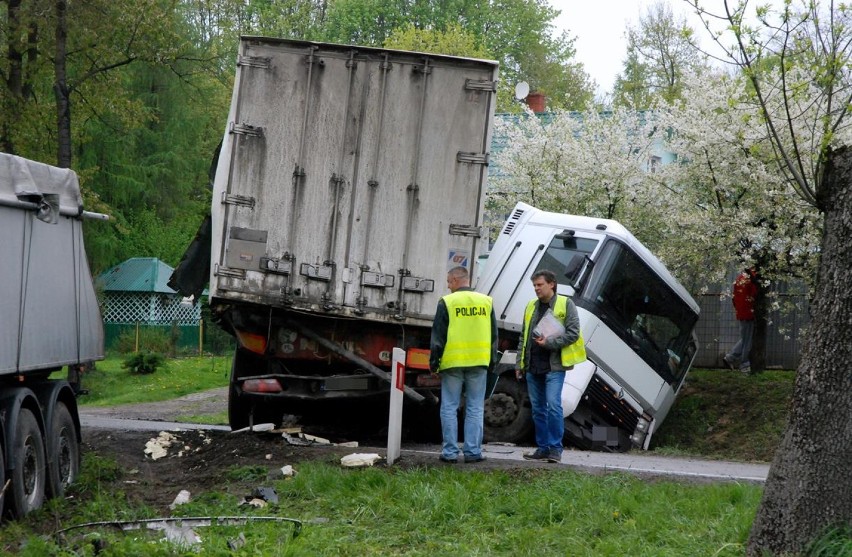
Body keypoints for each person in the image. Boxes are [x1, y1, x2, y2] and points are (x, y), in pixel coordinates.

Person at [516, 269, 586, 463]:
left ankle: (556, 449)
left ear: (551, 284)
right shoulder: (531, 305)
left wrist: (549, 343)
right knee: (538, 409)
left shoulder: (566, 304)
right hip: (533, 365)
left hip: (554, 366)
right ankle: (543, 448)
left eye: (539, 285)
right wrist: (519, 363)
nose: (536, 289)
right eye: (534, 286)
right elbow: (524, 336)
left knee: (554, 406)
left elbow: (573, 333)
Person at [430, 266, 498, 464]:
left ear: (455, 280)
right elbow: (494, 336)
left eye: (449, 282)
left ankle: (450, 453)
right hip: (479, 362)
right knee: (476, 407)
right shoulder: (486, 302)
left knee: (449, 407)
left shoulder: (447, 302)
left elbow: (438, 336)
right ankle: (473, 452)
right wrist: (491, 362)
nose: (448, 286)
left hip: (453, 363)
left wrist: (434, 363)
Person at [724, 268, 757, 373]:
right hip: (749, 312)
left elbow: (734, 297)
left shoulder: (740, 278)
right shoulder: (753, 278)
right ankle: (744, 365)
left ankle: (730, 358)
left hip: (742, 311)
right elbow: (755, 295)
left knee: (745, 338)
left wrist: (738, 308)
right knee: (748, 340)